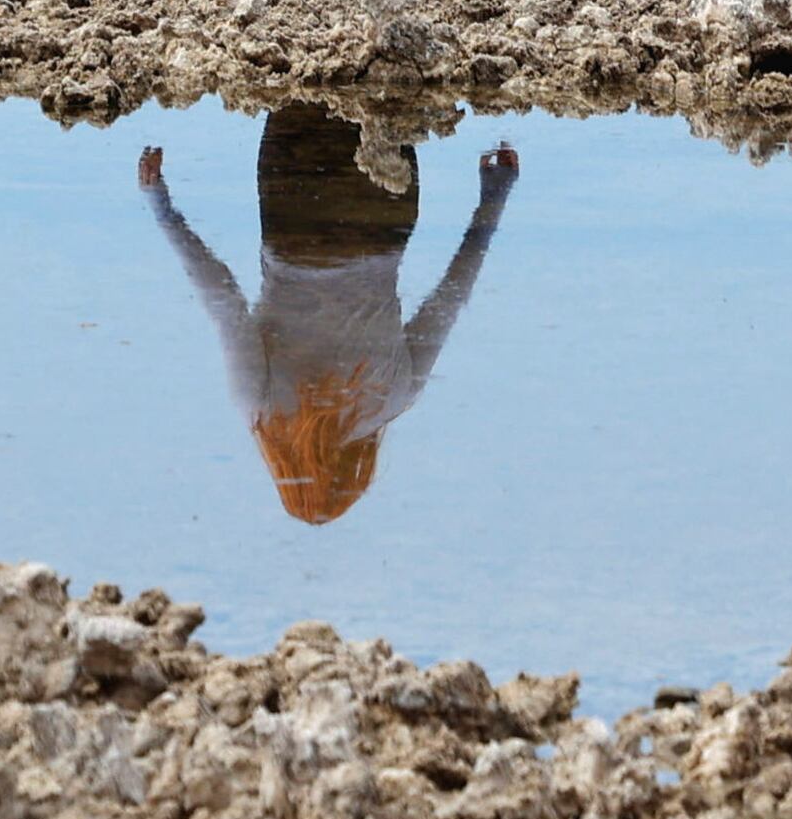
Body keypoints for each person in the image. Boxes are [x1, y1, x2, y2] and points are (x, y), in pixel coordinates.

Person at [141, 110, 519, 524]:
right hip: (296, 208)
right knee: (298, 79)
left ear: (357, 474)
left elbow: (450, 299)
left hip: (383, 209)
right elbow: (224, 302)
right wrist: (163, 209)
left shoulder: (394, 399)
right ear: (281, 470)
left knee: (383, 91)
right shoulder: (263, 410)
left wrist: (494, 198)